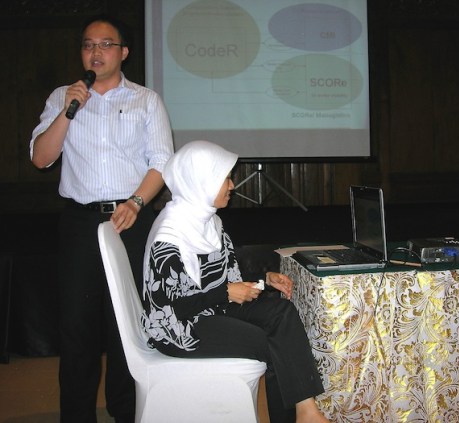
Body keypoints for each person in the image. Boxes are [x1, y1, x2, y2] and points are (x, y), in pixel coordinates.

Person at [29, 14, 174, 423]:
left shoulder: (146, 100)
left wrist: (137, 202)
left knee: (128, 323)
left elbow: (162, 161)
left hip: (132, 220)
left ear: (123, 52)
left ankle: (126, 411)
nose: (96, 52)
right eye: (88, 45)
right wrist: (68, 112)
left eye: (106, 44)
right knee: (77, 327)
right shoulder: (64, 97)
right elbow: (41, 158)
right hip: (81, 225)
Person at [141, 140, 329, 423]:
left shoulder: (209, 222)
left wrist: (265, 281)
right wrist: (226, 293)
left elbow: (228, 281)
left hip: (213, 310)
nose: (232, 186)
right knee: (269, 341)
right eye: (225, 178)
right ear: (201, 181)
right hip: (179, 329)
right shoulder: (168, 237)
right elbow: (172, 309)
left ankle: (306, 411)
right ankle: (304, 415)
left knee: (281, 312)